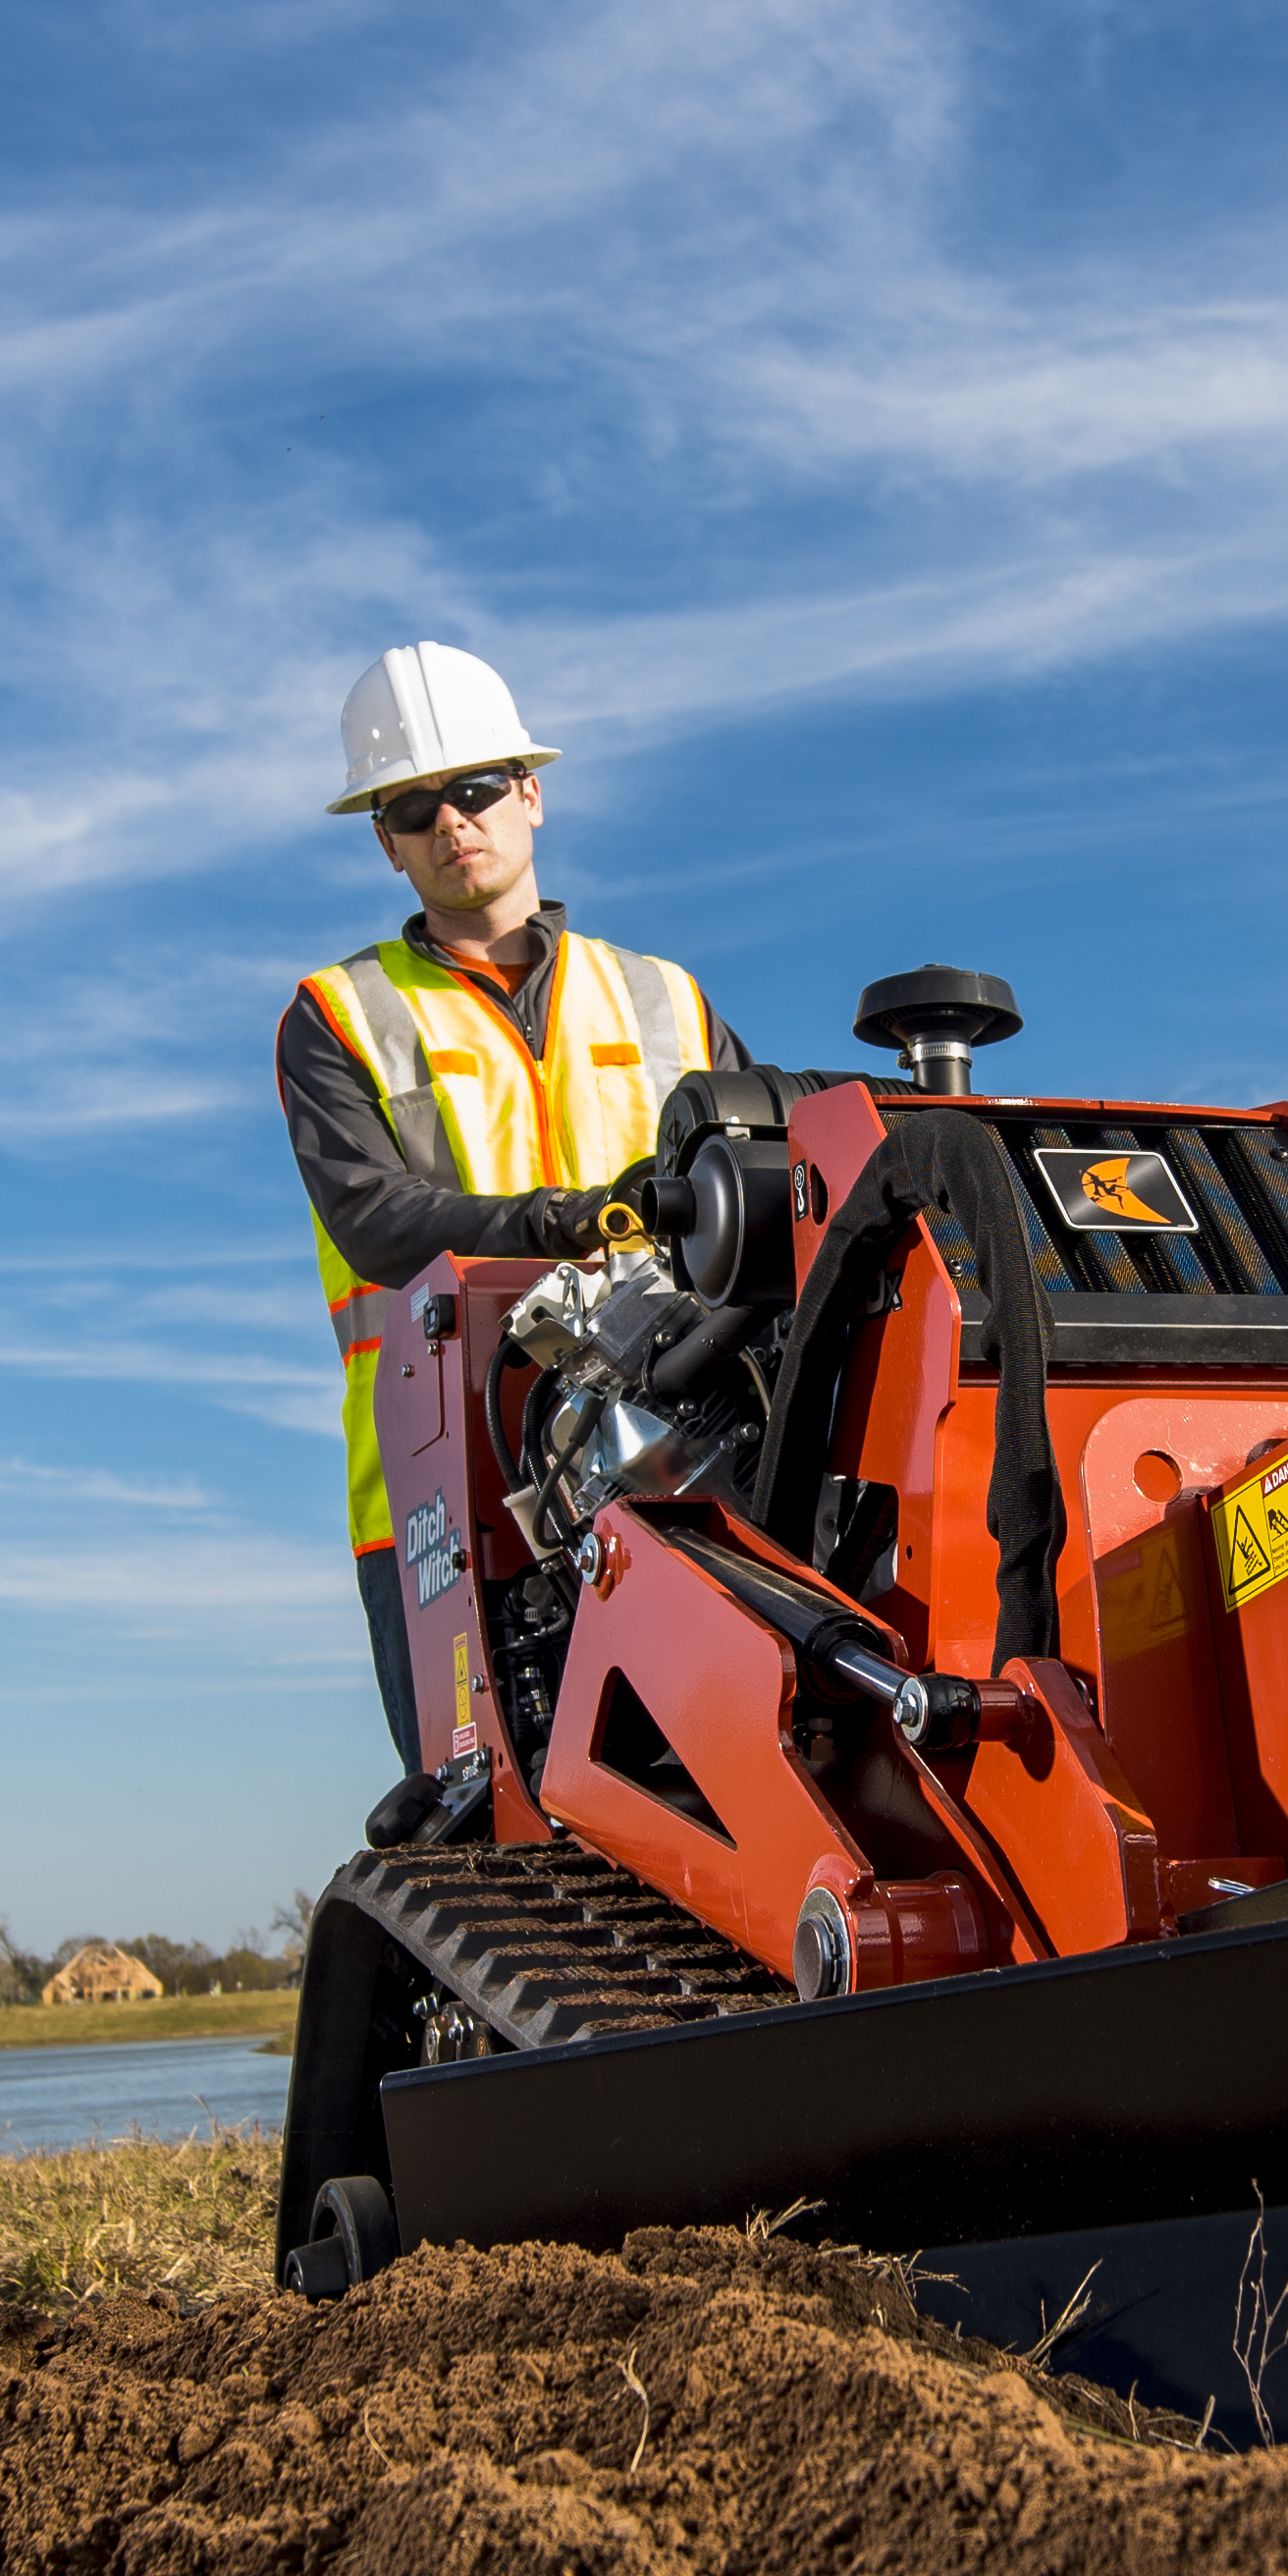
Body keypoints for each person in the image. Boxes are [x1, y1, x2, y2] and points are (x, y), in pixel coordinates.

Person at [279, 642, 733, 1766]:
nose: (453, 820)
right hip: (441, 1487)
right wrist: (558, 1221)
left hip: (682, 1450)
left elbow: (764, 1179)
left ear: (530, 792)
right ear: (385, 840)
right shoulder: (337, 1016)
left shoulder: (665, 998)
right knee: (490, 1817)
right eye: (414, 804)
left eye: (476, 788)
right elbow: (375, 1223)